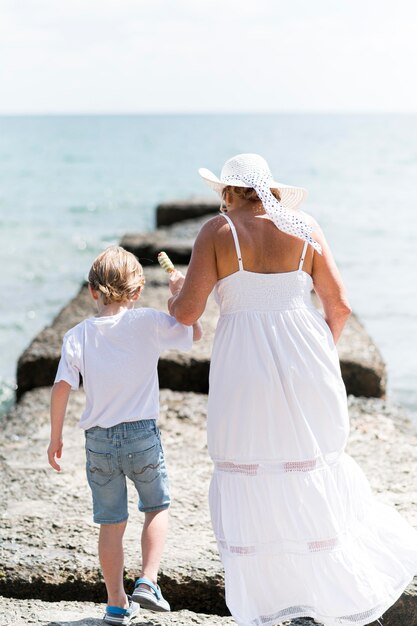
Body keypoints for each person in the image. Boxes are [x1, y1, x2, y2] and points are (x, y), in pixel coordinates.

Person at [168, 153, 417, 626]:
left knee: (253, 467)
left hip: (244, 366)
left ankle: (271, 601)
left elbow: (185, 314)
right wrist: (319, 351)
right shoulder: (305, 227)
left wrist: (176, 291)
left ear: (228, 191)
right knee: (311, 464)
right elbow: (339, 305)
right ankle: (322, 596)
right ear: (270, 189)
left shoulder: (217, 232)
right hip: (308, 358)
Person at [47, 245, 202, 626]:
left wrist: (55, 438)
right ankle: (147, 580)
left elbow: (61, 388)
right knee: (156, 506)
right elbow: (193, 331)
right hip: (141, 435)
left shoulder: (78, 335)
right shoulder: (148, 321)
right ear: (136, 292)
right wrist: (178, 296)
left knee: (111, 522)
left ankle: (116, 602)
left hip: (98, 440)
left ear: (92, 292)